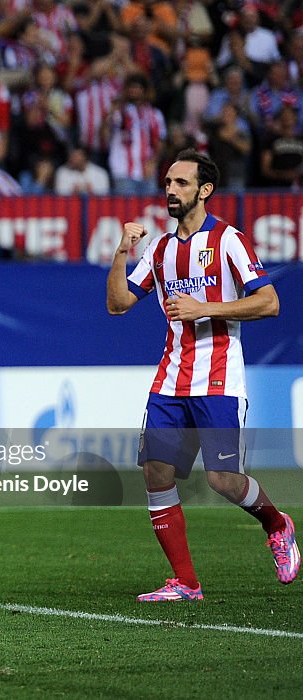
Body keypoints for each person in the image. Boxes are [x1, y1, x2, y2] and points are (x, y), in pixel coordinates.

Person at [106, 149, 299, 602]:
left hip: (218, 381)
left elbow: (269, 302)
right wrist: (121, 251)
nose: (170, 190)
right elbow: (117, 304)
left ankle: (277, 523)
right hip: (170, 380)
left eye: (181, 184)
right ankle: (186, 582)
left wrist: (205, 307)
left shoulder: (229, 240)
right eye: (168, 183)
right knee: (155, 472)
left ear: (204, 191)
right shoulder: (158, 249)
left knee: (222, 480)